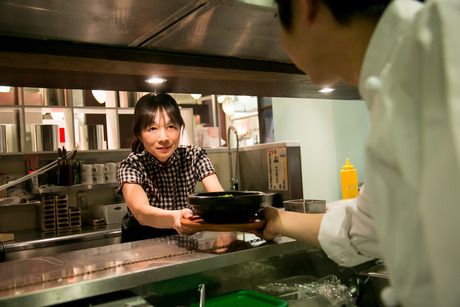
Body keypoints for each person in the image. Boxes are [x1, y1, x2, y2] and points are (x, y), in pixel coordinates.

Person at [261, 0, 460, 306]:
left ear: (304, 7)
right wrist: (278, 220)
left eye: (277, 16)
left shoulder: (436, 48)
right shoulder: (402, 70)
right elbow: (370, 223)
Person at [117, 93, 224, 242]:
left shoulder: (194, 156)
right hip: (141, 247)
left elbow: (220, 198)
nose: (164, 138)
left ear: (180, 129)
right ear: (140, 135)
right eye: (152, 128)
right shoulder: (131, 165)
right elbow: (141, 212)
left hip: (183, 244)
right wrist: (174, 218)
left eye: (171, 126)